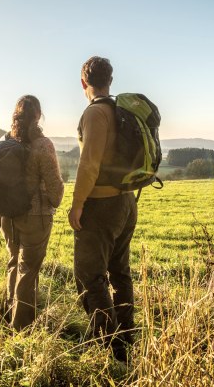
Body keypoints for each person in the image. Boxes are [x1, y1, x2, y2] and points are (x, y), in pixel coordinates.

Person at [68, 56, 138, 361]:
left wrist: (77, 204)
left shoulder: (95, 113)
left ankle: (111, 348)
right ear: (110, 80)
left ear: (84, 83)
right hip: (127, 201)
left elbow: (89, 164)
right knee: (120, 273)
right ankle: (126, 337)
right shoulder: (121, 111)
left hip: (101, 205)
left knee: (88, 275)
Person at [0, 95, 64, 330]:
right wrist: (55, 201)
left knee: (14, 263)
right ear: (38, 115)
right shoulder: (42, 144)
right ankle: (22, 330)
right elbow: (54, 184)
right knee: (28, 271)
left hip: (7, 216)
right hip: (35, 216)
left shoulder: (5, 140)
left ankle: (10, 314)